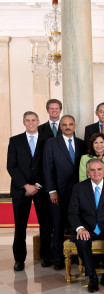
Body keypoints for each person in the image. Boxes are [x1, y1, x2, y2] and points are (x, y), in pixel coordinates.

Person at [68, 158, 104, 293]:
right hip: (87, 228)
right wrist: (80, 228)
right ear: (88, 172)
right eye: (92, 170)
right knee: (82, 240)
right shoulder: (78, 188)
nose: (96, 172)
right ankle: (92, 276)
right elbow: (72, 213)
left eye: (99, 169)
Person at [7, 111, 52, 270]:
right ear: (24, 122)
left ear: (38, 122)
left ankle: (46, 256)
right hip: (20, 190)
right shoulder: (15, 140)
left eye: (33, 120)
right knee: (20, 226)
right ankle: (19, 259)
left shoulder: (47, 141)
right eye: (28, 120)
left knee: (45, 224)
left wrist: (37, 185)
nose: (31, 123)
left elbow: (48, 164)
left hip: (42, 188)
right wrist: (26, 185)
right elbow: (11, 166)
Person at [43, 115, 86, 270]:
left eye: (70, 124)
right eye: (64, 125)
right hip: (58, 192)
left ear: (75, 126)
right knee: (58, 226)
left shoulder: (82, 143)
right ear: (60, 127)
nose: (67, 127)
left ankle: (76, 255)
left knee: (77, 225)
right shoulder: (51, 143)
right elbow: (48, 168)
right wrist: (52, 190)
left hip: (78, 193)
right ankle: (58, 258)